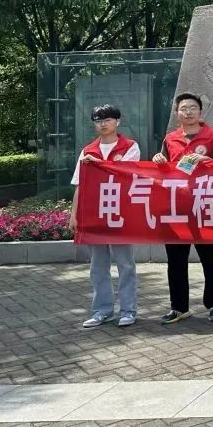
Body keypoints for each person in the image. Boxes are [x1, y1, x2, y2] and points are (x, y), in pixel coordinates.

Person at [152, 92, 213, 324]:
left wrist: (208, 161)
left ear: (200, 111)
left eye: (193, 107)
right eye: (183, 108)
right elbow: (162, 169)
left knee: (209, 260)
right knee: (175, 260)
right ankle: (178, 307)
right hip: (176, 208)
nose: (188, 112)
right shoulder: (170, 139)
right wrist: (158, 160)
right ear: (177, 113)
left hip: (204, 206)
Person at [69, 104, 142, 328]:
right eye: (98, 120)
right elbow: (79, 185)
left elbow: (126, 173)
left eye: (107, 119)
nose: (103, 124)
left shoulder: (130, 146)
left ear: (117, 121)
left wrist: (99, 165)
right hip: (94, 215)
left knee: (125, 264)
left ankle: (128, 310)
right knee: (98, 266)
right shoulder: (88, 151)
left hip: (120, 213)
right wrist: (74, 215)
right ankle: (102, 310)